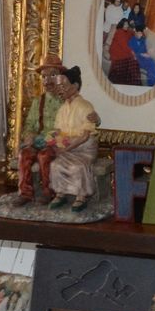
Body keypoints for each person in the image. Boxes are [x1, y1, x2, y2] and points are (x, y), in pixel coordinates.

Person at [44, 65, 102, 210]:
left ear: (75, 86)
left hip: (84, 149)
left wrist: (66, 149)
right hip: (67, 147)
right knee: (55, 165)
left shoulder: (85, 106)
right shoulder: (62, 109)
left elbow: (85, 136)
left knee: (77, 166)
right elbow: (57, 131)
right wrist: (53, 141)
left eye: (63, 86)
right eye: (58, 86)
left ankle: (81, 196)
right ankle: (60, 193)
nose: (60, 90)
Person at [17, 54, 72, 201]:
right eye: (44, 77)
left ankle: (49, 191)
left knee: (44, 156)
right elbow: (29, 124)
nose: (48, 80)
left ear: (60, 77)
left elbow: (69, 129)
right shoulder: (38, 102)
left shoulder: (66, 102)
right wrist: (29, 135)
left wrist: (50, 139)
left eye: (52, 75)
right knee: (25, 155)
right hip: (38, 141)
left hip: (57, 143)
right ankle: (25, 193)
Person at [106, 18, 141, 85]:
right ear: (121, 25)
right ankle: (131, 83)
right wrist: (132, 53)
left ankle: (133, 83)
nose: (126, 26)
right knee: (132, 60)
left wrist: (136, 33)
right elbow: (124, 45)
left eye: (127, 24)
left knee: (133, 61)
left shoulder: (127, 31)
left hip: (123, 49)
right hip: (117, 51)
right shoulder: (119, 32)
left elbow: (133, 33)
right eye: (125, 24)